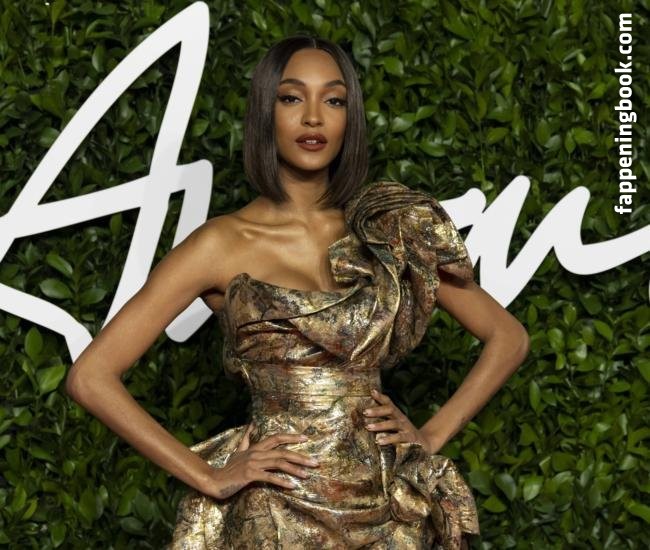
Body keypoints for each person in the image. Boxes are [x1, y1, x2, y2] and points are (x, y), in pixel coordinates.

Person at [65, 35, 529, 549]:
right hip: (275, 512)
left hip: (387, 511)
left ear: (350, 119)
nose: (313, 117)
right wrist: (208, 475)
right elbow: (91, 377)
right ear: (266, 112)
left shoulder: (386, 232)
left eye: (334, 100)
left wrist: (429, 436)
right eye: (291, 98)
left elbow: (508, 336)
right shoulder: (219, 243)